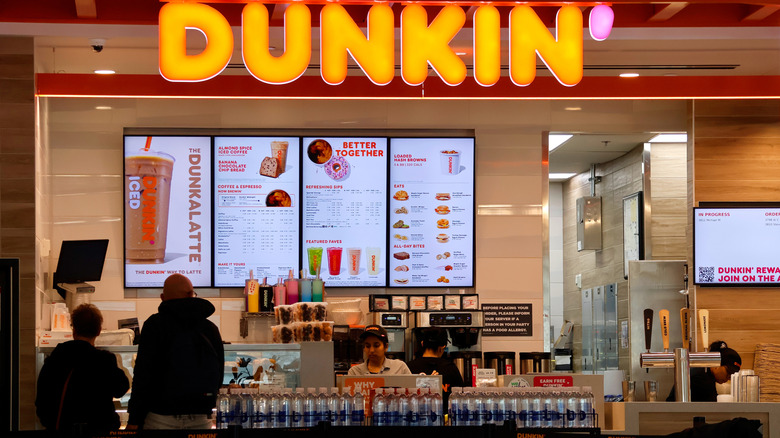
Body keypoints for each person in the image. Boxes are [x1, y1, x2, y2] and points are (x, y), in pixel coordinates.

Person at [127, 273, 224, 429]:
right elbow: (219, 373)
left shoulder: (154, 325)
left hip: (160, 417)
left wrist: (134, 420)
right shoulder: (209, 328)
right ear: (191, 295)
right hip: (200, 418)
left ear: (162, 297)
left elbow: (143, 375)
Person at [36, 303, 130, 432]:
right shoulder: (104, 360)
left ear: (74, 330)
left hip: (62, 430)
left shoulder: (56, 357)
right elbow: (121, 389)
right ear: (98, 331)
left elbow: (41, 401)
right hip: (98, 430)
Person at [406, 327, 464, 409]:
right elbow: (460, 397)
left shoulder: (409, 367)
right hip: (444, 419)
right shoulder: (450, 368)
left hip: (415, 417)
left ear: (422, 344)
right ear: (442, 347)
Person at [666, 340, 742, 402]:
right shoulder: (702, 379)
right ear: (717, 365)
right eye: (728, 373)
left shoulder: (703, 372)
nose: (729, 378)